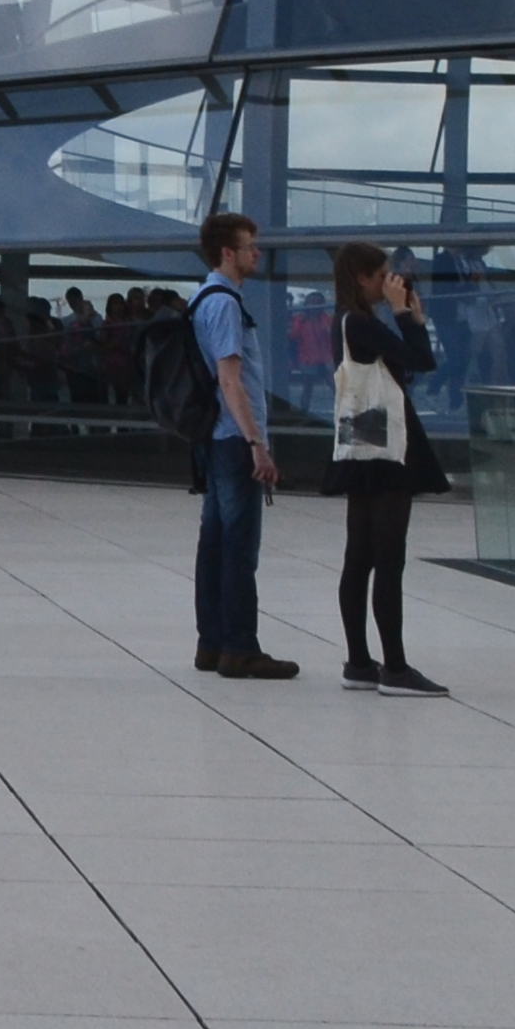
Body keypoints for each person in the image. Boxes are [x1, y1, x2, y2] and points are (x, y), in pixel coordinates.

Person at [326, 241, 449, 695]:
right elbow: (421, 360)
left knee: (359, 554)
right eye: (381, 275)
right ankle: (394, 667)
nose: (388, 282)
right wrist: (406, 316)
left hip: (361, 435)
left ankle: (360, 661)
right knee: (386, 557)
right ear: (361, 277)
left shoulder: (345, 321)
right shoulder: (360, 322)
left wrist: (403, 318)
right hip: (387, 442)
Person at [191, 210, 292, 678]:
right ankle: (240, 647)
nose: (257, 253)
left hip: (213, 437)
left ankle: (211, 642)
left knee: (214, 541)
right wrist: (257, 442)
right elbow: (231, 382)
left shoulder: (202, 297)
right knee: (238, 547)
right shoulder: (226, 304)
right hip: (233, 439)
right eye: (250, 246)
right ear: (228, 253)